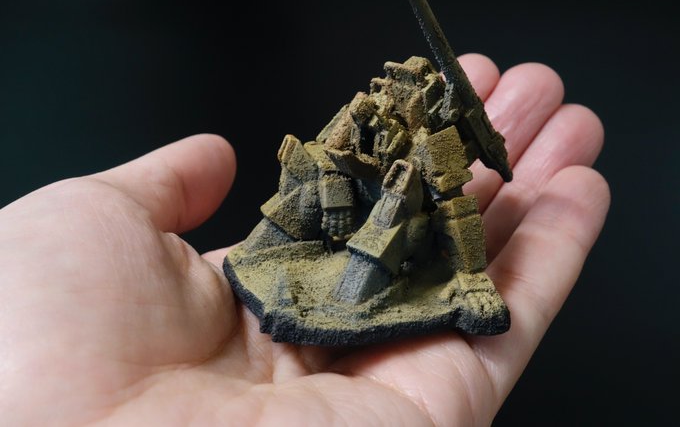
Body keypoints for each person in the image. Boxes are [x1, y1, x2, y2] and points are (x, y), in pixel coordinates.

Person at [0, 54, 609, 425]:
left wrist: (470, 275)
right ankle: (277, 253)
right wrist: (331, 192)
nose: (391, 99)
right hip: (344, 206)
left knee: (398, 207)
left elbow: (452, 205)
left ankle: (355, 294)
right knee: (307, 181)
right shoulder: (365, 112)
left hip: (402, 220)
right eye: (392, 88)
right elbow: (326, 152)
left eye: (406, 94)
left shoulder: (433, 144)